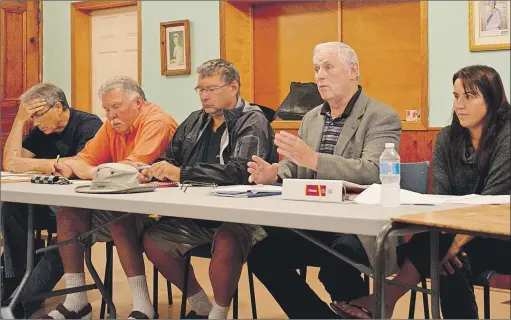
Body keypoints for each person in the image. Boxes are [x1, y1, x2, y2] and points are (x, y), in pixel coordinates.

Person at [331, 65, 511, 319]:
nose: (460, 104)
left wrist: (452, 244)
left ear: (491, 99)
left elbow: (492, 199)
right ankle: (383, 301)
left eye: (469, 96)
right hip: (452, 233)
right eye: (456, 96)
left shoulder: (507, 135)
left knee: (443, 255)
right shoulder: (448, 138)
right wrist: (448, 244)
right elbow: (439, 196)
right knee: (446, 262)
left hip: (500, 234)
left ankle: (383, 300)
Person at [246, 41, 402, 319]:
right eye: (316, 69)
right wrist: (274, 173)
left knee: (338, 256)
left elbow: (374, 172)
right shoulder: (311, 118)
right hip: (314, 220)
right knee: (261, 253)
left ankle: (357, 311)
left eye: (328, 67)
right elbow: (296, 165)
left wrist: (314, 160)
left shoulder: (380, 116)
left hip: (358, 226)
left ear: (353, 71)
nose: (319, 76)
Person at [139, 59, 278, 319]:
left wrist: (181, 173)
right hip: (196, 213)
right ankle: (202, 306)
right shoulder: (194, 121)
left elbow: (240, 171)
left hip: (242, 216)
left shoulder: (253, 121)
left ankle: (219, 313)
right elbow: (170, 158)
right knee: (154, 240)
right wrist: (153, 171)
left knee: (227, 239)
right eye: (200, 89)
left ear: (233, 87)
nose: (204, 96)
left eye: (211, 89)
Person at [42, 76, 178, 319]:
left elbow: (130, 170)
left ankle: (142, 305)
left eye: (116, 107)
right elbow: (85, 158)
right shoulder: (112, 125)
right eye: (106, 109)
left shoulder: (157, 121)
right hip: (127, 204)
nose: (111, 115)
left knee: (117, 213)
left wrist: (86, 170)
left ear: (138, 102)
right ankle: (77, 302)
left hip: (165, 211)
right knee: (68, 213)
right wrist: (72, 167)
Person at [1, 83, 102, 317]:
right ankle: (14, 283)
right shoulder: (39, 131)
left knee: (65, 236)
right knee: (10, 210)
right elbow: (10, 163)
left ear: (57, 107)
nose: (34, 122)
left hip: (80, 207)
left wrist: (33, 165)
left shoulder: (89, 124)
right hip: (48, 202)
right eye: (31, 117)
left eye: (37, 115)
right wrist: (19, 121)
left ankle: (23, 299)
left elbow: (79, 165)